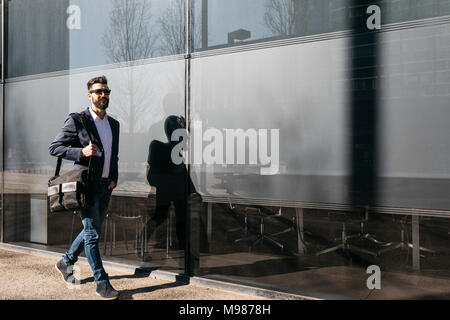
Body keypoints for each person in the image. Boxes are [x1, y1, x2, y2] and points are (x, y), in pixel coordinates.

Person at [49, 75, 120, 300]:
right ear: (89, 95)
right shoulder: (79, 120)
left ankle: (66, 261)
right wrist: (80, 152)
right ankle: (102, 282)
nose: (103, 95)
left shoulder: (114, 124)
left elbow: (113, 155)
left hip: (106, 186)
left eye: (106, 91)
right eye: (98, 91)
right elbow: (55, 147)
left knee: (93, 232)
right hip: (86, 187)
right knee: (92, 235)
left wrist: (114, 177)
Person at [140, 115, 194, 257]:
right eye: (180, 132)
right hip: (167, 191)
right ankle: (141, 242)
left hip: (176, 192)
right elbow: (151, 177)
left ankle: (185, 252)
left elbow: (184, 176)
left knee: (180, 219)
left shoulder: (177, 154)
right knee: (161, 217)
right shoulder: (159, 147)